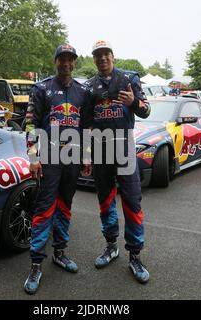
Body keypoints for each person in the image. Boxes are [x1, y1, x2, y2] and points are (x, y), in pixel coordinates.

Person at [23, 44, 92, 295]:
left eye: (70, 59)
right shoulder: (41, 88)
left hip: (72, 156)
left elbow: (86, 128)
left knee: (65, 206)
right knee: (44, 208)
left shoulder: (82, 91)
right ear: (55, 62)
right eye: (61, 59)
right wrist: (33, 156)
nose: (66, 63)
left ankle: (60, 253)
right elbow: (30, 124)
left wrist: (86, 155)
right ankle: (35, 263)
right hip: (49, 156)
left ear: (74, 62)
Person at [85, 40, 151, 284]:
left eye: (106, 54)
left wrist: (133, 102)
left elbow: (146, 110)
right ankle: (111, 245)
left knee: (132, 200)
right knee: (105, 199)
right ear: (94, 59)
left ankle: (135, 255)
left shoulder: (128, 79)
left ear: (113, 56)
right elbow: (87, 122)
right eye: (98, 55)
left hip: (124, 146)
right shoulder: (89, 86)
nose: (102, 58)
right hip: (101, 149)